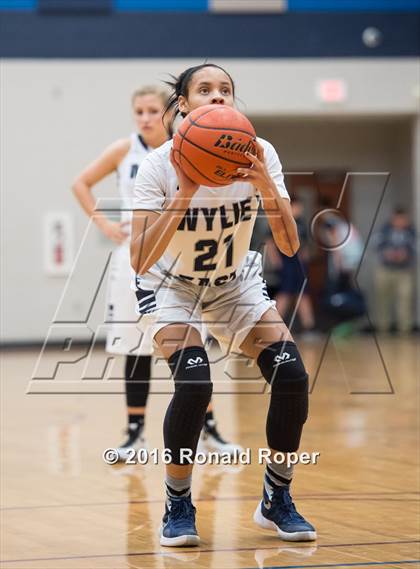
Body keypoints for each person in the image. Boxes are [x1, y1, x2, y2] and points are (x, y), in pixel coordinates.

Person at [131, 63, 316, 546]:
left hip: (233, 281)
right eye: (205, 89)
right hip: (171, 283)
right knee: (194, 383)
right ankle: (177, 501)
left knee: (292, 375)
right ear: (184, 105)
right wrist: (187, 190)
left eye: (226, 90)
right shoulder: (158, 164)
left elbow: (291, 246)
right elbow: (139, 257)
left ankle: (276, 498)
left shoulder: (262, 154)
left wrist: (265, 187)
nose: (218, 96)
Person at [72, 86, 240, 462]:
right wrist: (104, 225)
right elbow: (79, 183)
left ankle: (209, 429)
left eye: (151, 111)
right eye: (139, 111)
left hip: (181, 255)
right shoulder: (123, 149)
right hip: (135, 255)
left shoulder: (192, 146)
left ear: (168, 113)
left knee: (192, 342)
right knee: (135, 345)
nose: (145, 118)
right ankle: (134, 434)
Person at [374, 207, 416, 333]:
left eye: (403, 219)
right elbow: (375, 245)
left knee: (405, 300)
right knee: (383, 300)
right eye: (397, 219)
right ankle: (383, 329)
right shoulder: (383, 231)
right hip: (385, 270)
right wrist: (387, 253)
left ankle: (405, 330)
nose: (400, 221)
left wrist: (406, 254)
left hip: (404, 271)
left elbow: (415, 248)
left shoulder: (412, 232)